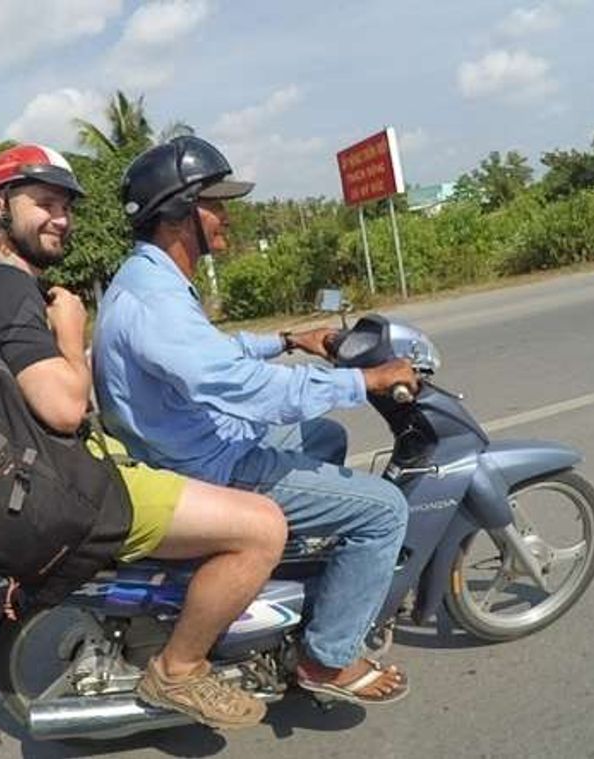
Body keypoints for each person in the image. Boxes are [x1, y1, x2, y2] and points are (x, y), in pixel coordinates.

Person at [0, 143, 287, 728]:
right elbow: (65, 408)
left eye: (66, 206)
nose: (60, 219)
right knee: (262, 526)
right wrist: (71, 334)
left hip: (40, 471)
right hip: (62, 484)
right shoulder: (7, 288)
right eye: (44, 204)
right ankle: (179, 670)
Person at [93, 135, 419, 704]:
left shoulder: (150, 280)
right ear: (178, 215)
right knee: (385, 511)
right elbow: (244, 389)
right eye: (215, 205)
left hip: (196, 442)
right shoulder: (155, 302)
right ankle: (326, 659)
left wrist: (287, 340)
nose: (226, 217)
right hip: (208, 465)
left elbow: (210, 355)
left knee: (324, 435)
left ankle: (291, 591)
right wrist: (361, 381)